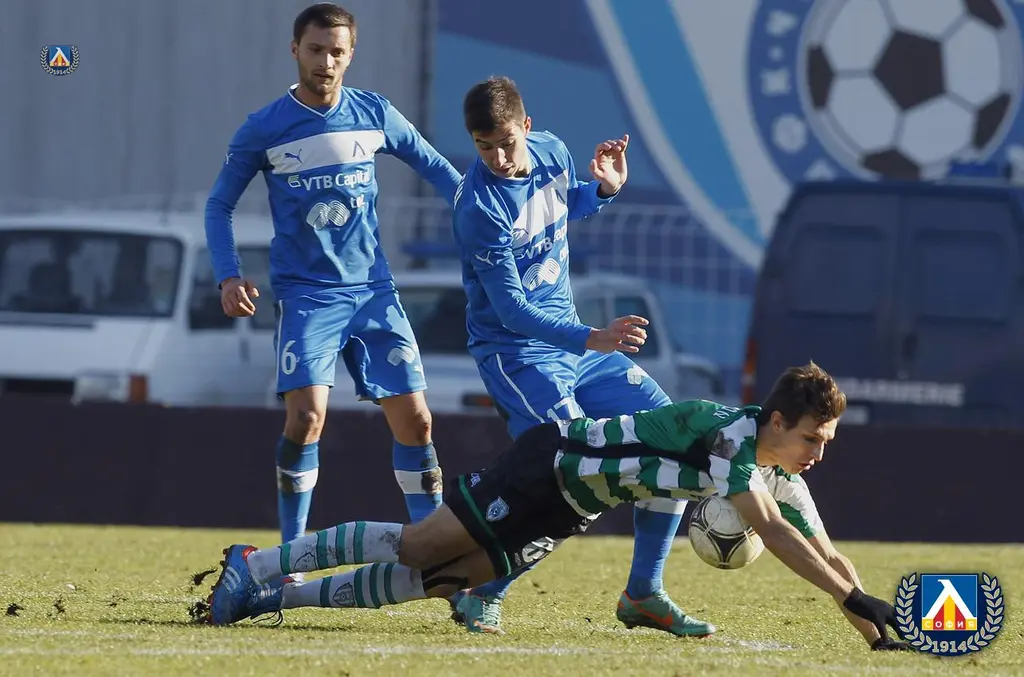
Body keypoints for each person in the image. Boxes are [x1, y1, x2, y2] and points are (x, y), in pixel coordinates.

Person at [201, 362, 911, 652]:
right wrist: (853, 596)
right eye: (813, 437)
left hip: (569, 510)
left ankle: (265, 600)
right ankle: (253, 565)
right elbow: (775, 536)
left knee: (441, 580)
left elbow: (826, 553)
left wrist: (875, 629)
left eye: (827, 442)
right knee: (421, 546)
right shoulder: (729, 434)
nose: (819, 452)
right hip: (551, 465)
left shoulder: (779, 472)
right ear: (778, 420)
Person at [446, 75, 702, 636]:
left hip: (577, 345)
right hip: (519, 356)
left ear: (527, 126)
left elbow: (567, 207)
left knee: (672, 439)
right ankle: (483, 591)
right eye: (483, 147)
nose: (497, 158)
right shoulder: (478, 207)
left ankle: (644, 593)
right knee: (574, 474)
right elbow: (512, 311)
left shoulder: (554, 152)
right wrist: (593, 337)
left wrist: (603, 191)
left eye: (505, 143)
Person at [204, 3, 462, 556]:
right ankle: (290, 556)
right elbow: (219, 205)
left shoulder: (375, 113)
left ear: (351, 55)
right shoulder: (264, 127)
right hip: (307, 296)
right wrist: (228, 277)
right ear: (295, 50)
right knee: (306, 419)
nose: (325, 61)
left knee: (418, 423)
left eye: (336, 52)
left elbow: (437, 168)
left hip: (373, 292)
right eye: (316, 49)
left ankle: (436, 552)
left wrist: (478, 215)